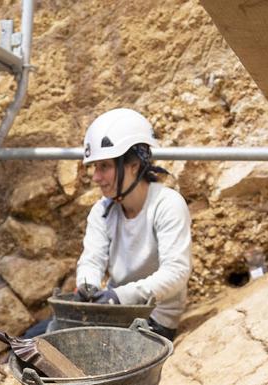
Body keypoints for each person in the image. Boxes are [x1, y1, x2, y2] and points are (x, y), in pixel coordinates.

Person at [74, 108, 192, 341]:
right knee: (40, 336)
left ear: (134, 165)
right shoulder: (102, 210)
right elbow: (92, 260)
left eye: (104, 166)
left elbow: (176, 272)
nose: (96, 177)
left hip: (155, 319)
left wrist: (118, 296)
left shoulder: (167, 204)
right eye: (95, 167)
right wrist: (87, 283)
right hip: (115, 311)